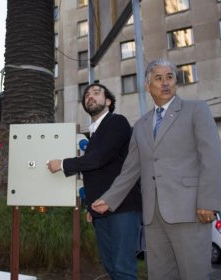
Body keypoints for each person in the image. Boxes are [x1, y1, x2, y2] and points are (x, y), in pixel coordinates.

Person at [92, 58, 221, 280]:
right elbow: (131, 170)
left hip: (190, 211)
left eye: (170, 77)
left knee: (195, 275)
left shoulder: (196, 110)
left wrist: (208, 201)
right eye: (158, 78)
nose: (165, 83)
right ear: (147, 85)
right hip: (153, 217)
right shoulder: (141, 124)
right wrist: (109, 199)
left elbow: (212, 158)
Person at [47, 84, 142, 279]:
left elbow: (99, 159)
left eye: (96, 93)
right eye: (87, 95)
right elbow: (100, 172)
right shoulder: (95, 133)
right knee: (111, 267)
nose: (90, 96)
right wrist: (91, 208)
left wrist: (63, 164)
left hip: (123, 208)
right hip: (100, 210)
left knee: (123, 268)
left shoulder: (117, 122)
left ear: (108, 101)